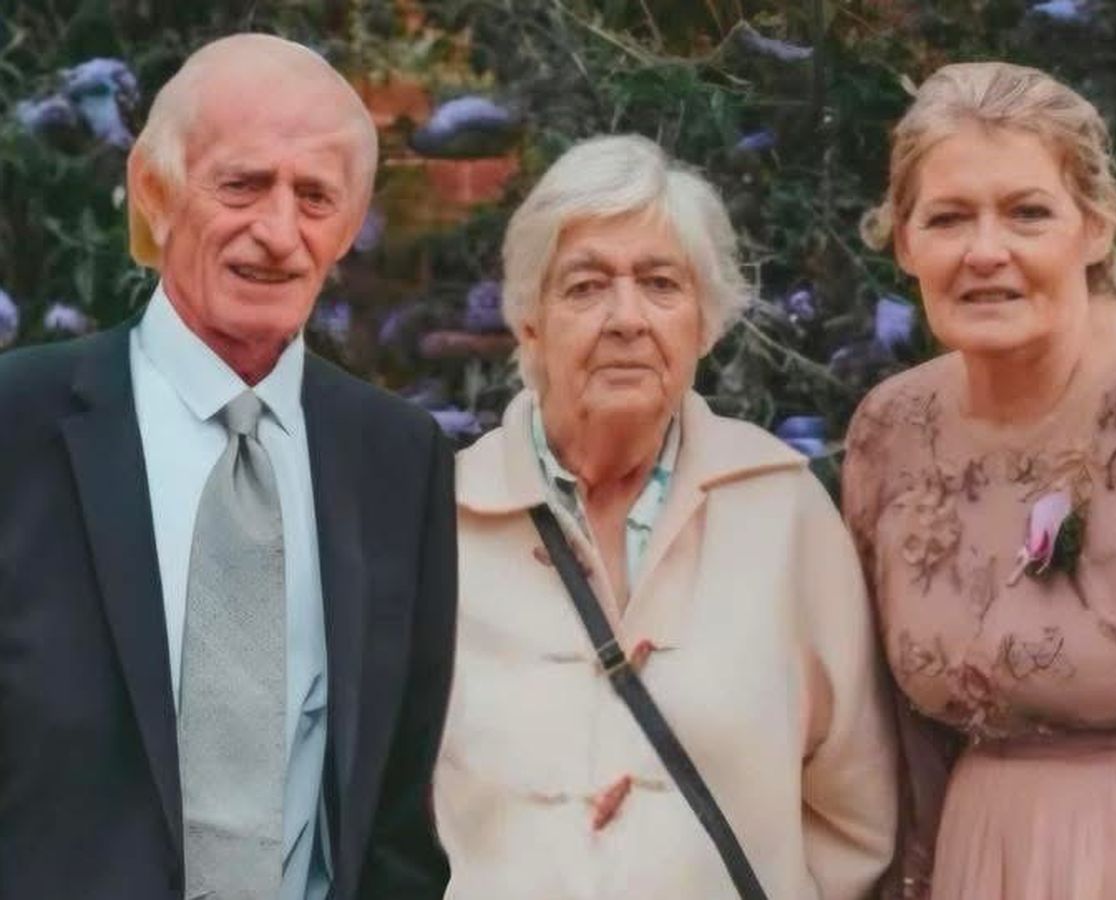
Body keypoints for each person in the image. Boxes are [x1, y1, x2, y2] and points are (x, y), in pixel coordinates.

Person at [0, 34, 456, 899]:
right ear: (155, 188)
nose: (278, 234)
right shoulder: (16, 424)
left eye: (315, 197)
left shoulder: (399, 458)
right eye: (242, 185)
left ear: (350, 226)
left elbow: (396, 814)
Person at [434, 133, 897, 899]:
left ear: (704, 321)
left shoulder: (781, 510)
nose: (627, 318)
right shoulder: (443, 521)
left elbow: (856, 805)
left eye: (660, 284)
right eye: (585, 286)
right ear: (529, 322)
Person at [845, 61, 1116, 899]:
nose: (985, 252)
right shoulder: (890, 432)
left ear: (1096, 229)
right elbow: (896, 741)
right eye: (948, 218)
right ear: (905, 243)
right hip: (978, 862)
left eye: (1028, 213)